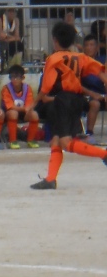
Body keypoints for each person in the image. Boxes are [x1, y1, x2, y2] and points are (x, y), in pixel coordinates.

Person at [30, 21, 107, 189]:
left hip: (63, 101)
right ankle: (50, 179)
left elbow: (46, 87)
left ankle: (104, 154)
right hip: (77, 100)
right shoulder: (80, 57)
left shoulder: (53, 59)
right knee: (56, 139)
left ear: (55, 40)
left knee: (66, 142)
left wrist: (33, 103)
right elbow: (101, 71)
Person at [1, 64, 42, 149]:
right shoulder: (6, 88)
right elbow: (10, 106)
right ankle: (12, 140)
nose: (15, 80)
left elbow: (29, 105)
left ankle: (31, 140)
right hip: (8, 114)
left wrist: (27, 109)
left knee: (34, 114)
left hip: (23, 113)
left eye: (17, 77)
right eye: (12, 77)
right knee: (13, 113)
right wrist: (25, 109)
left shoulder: (27, 88)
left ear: (23, 78)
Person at [79, 34, 106, 142]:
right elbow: (76, 84)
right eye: (87, 45)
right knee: (95, 104)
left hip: (102, 94)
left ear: (97, 47)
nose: (89, 48)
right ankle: (89, 133)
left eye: (92, 45)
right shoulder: (79, 62)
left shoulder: (102, 61)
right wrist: (92, 94)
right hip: (85, 95)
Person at [0, 7, 24, 71]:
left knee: (19, 45)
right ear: (6, 12)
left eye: (14, 11)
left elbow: (17, 37)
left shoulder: (16, 20)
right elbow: (0, 36)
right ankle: (5, 67)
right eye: (10, 11)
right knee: (5, 45)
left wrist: (7, 37)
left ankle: (15, 66)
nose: (12, 13)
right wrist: (13, 37)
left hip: (8, 41)